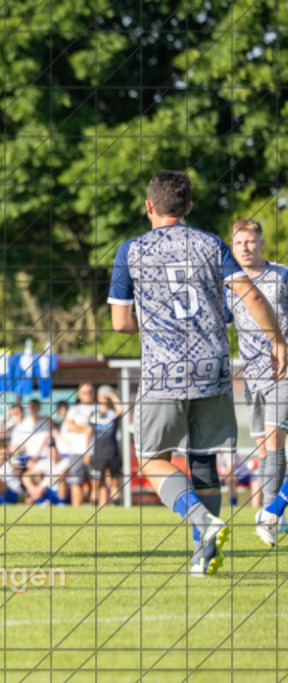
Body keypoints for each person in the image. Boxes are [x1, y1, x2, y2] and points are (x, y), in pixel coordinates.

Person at [109, 170, 287, 576]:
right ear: (188, 207)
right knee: (204, 461)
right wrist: (277, 340)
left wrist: (155, 323)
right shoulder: (211, 244)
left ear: (149, 206)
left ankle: (204, 523)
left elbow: (120, 322)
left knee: (152, 458)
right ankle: (203, 555)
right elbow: (251, 295)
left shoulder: (130, 251)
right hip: (213, 368)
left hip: (163, 372)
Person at [225, 219, 288, 545]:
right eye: (239, 244)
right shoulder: (229, 284)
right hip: (252, 377)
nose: (245, 248)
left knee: (275, 442)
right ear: (232, 247)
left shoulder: (282, 276)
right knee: (263, 448)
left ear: (261, 243)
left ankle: (271, 514)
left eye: (250, 242)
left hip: (283, 372)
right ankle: (271, 511)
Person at [88, 386, 124, 508]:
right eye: (102, 396)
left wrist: (112, 396)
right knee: (98, 483)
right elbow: (89, 434)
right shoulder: (94, 414)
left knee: (115, 481)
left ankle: (115, 508)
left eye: (106, 396)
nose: (104, 398)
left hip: (113, 452)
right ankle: (101, 506)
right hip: (98, 453)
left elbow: (121, 410)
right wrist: (88, 452)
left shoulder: (113, 413)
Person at [63, 384, 97, 507]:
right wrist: (86, 428)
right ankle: (76, 512)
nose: (87, 395)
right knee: (76, 482)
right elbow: (70, 425)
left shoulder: (99, 408)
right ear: (79, 395)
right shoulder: (74, 410)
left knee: (98, 483)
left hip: (96, 451)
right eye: (84, 392)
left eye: (90, 392)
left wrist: (85, 427)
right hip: (77, 451)